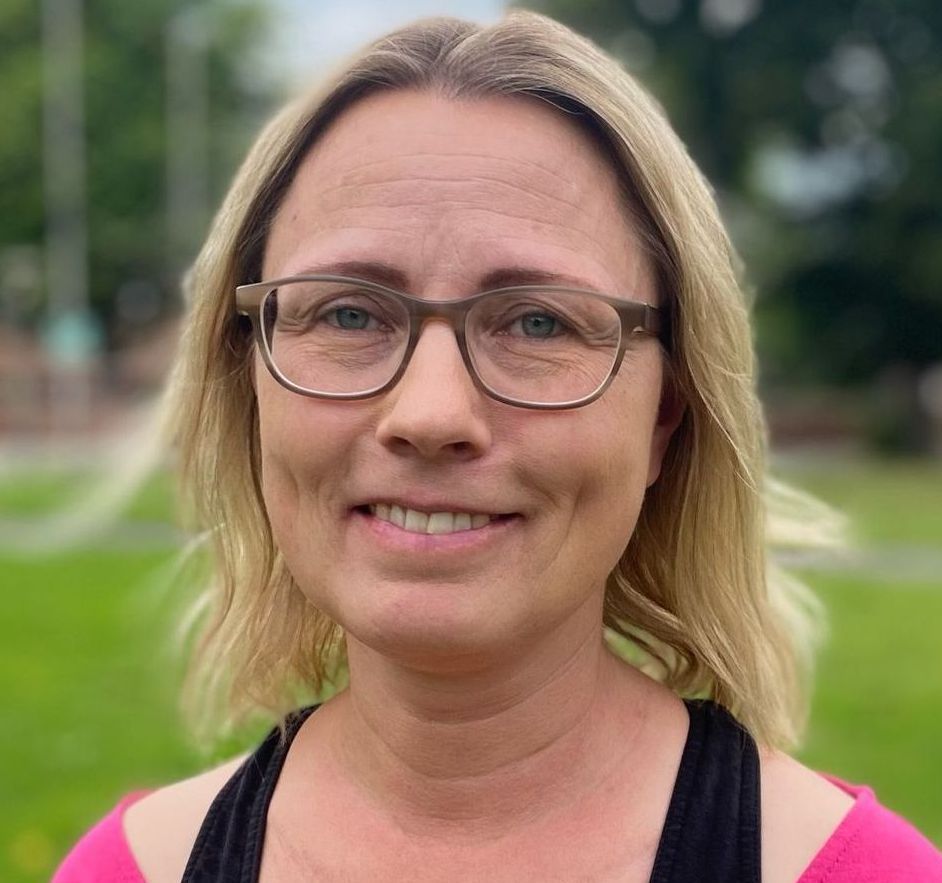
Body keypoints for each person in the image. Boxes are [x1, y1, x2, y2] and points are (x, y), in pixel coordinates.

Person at [53, 11, 941, 882]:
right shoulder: (128, 870)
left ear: (666, 415)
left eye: (538, 321)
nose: (430, 413)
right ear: (249, 382)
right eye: (349, 313)